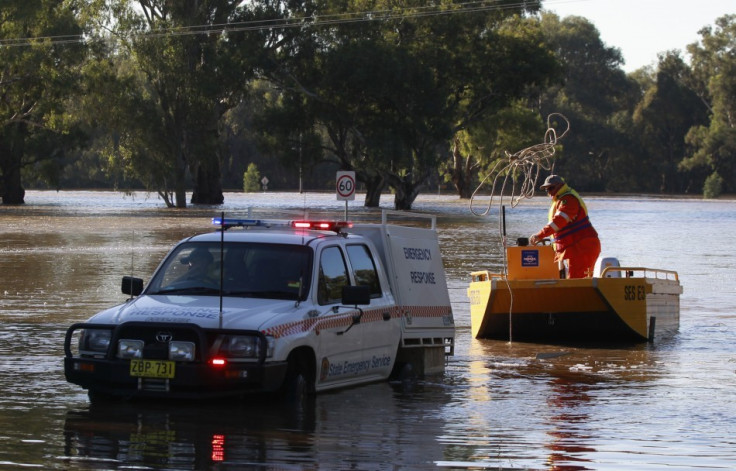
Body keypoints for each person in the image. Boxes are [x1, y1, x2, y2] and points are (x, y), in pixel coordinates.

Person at [529, 175, 601, 278]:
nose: (549, 192)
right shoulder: (560, 200)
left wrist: (540, 235)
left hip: (582, 246)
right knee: (573, 280)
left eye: (551, 188)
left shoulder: (568, 200)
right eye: (546, 190)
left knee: (576, 282)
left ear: (560, 186)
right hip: (574, 247)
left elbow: (558, 222)